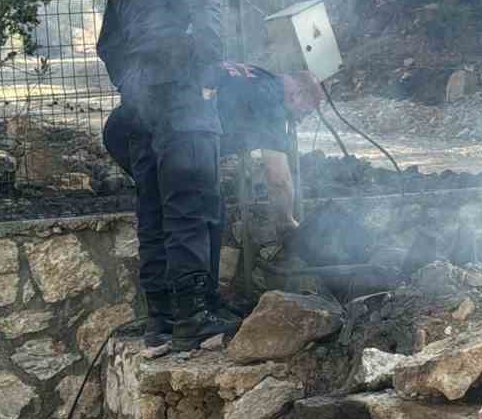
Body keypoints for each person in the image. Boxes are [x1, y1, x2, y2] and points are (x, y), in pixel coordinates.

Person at [95, 0, 238, 357]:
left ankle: (159, 321)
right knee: (190, 205)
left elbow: (108, 45)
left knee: (153, 208)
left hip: (139, 104)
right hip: (182, 95)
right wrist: (208, 79)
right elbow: (207, 17)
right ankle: (194, 317)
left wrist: (133, 88)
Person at [103, 62, 326, 309]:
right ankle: (192, 309)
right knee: (194, 213)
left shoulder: (261, 77)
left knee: (194, 209)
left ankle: (182, 307)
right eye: (304, 113)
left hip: (136, 126)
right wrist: (286, 223)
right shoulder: (270, 101)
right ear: (296, 94)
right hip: (153, 136)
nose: (300, 121)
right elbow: (279, 179)